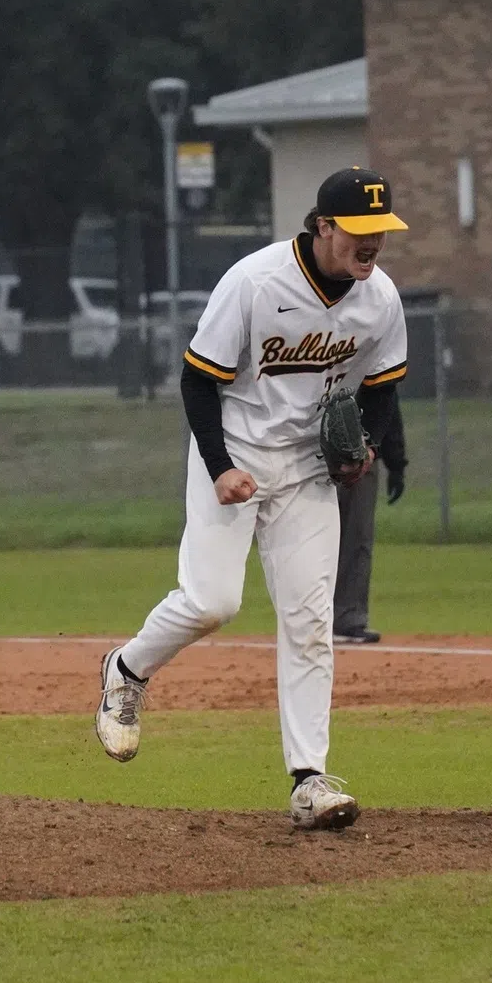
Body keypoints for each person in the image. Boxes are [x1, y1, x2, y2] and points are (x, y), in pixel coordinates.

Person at [96, 167, 409, 830]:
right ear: (321, 227)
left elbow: (382, 385)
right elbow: (195, 380)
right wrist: (218, 466)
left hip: (304, 471)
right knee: (213, 602)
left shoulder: (378, 296)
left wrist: (368, 447)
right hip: (233, 449)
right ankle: (126, 668)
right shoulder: (255, 282)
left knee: (309, 621)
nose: (371, 242)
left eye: (379, 230)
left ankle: (308, 780)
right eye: (358, 230)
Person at [332, 392, 406, 645]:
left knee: (356, 537)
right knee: (304, 538)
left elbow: (385, 397)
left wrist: (396, 461)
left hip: (359, 453)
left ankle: (347, 619)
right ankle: (304, 617)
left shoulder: (370, 352)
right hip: (302, 450)